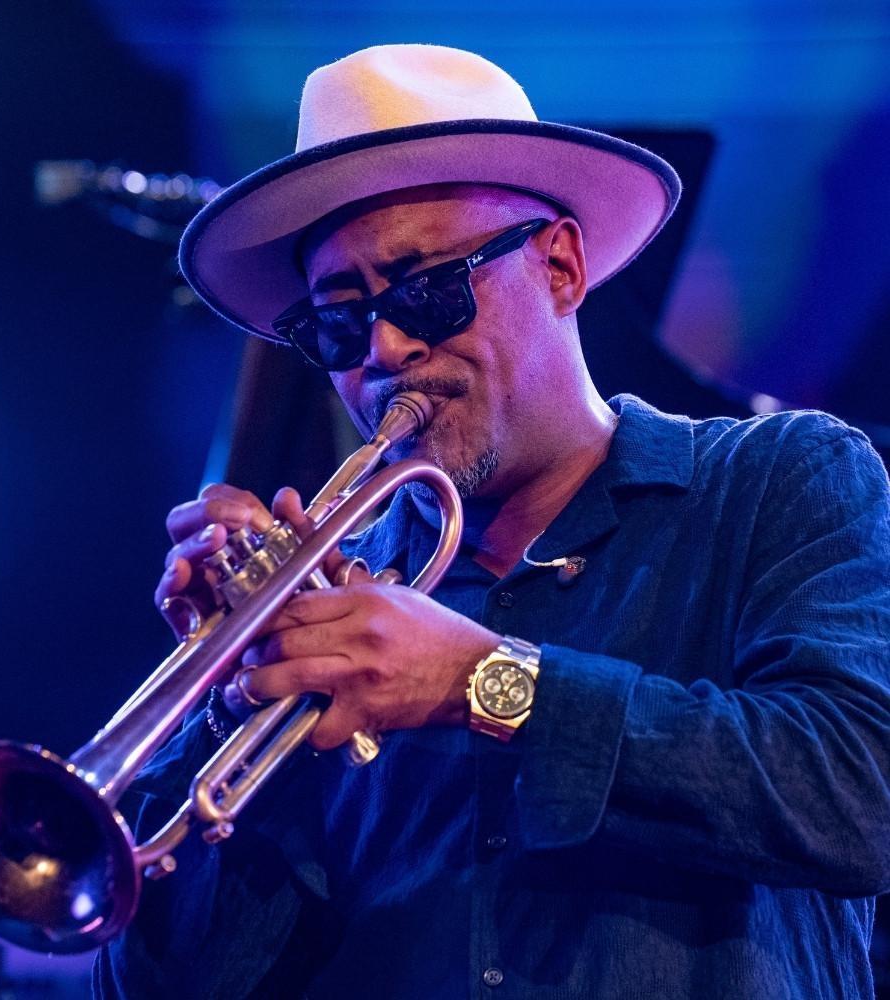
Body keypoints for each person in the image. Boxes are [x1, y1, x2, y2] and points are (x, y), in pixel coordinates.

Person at [94, 44, 890, 999]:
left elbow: (858, 794)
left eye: (425, 287)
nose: (383, 351)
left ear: (559, 265)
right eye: (339, 323)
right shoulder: (339, 604)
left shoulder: (779, 478)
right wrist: (235, 696)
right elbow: (169, 985)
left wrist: (486, 682)